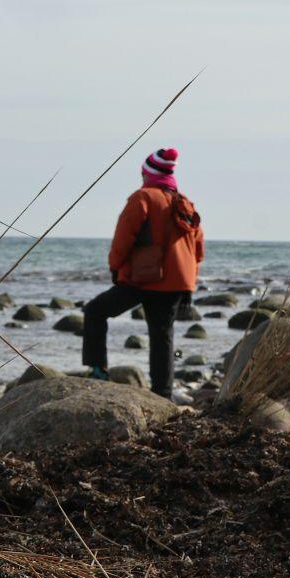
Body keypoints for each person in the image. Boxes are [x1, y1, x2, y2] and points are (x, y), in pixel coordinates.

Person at [82, 147, 204, 399]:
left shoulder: (143, 198)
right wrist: (188, 280)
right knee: (162, 336)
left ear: (148, 173)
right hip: (178, 282)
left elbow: (123, 239)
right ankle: (162, 393)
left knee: (95, 311)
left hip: (143, 278)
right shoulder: (186, 203)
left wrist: (115, 267)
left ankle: (98, 370)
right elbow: (198, 248)